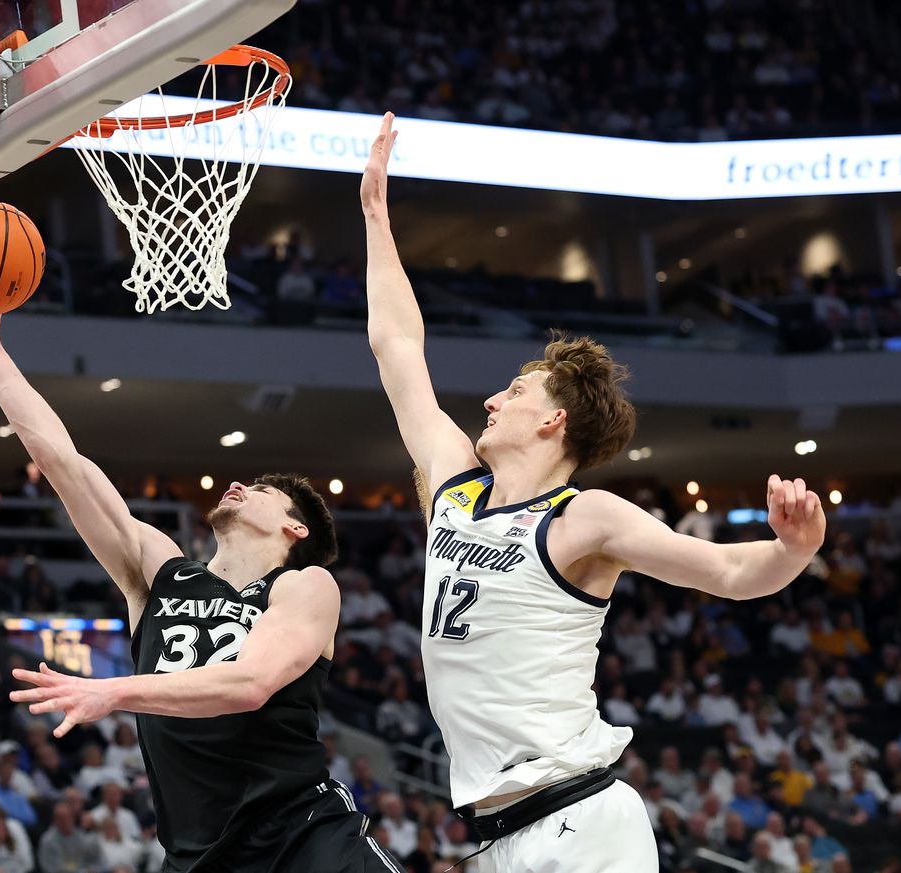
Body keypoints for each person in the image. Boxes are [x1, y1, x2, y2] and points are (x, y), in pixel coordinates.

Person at [360, 111, 827, 873]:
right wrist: (377, 219)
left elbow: (731, 575)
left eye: (512, 390)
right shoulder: (454, 489)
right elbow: (398, 348)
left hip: (581, 820)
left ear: (554, 420)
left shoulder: (583, 518)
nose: (490, 401)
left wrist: (794, 546)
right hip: (496, 835)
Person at [0, 276, 399, 873]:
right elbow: (62, 462)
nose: (239, 486)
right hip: (200, 855)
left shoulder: (303, 586)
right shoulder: (159, 570)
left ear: (295, 530)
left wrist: (112, 690)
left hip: (304, 837)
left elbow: (248, 684)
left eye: (259, 492)